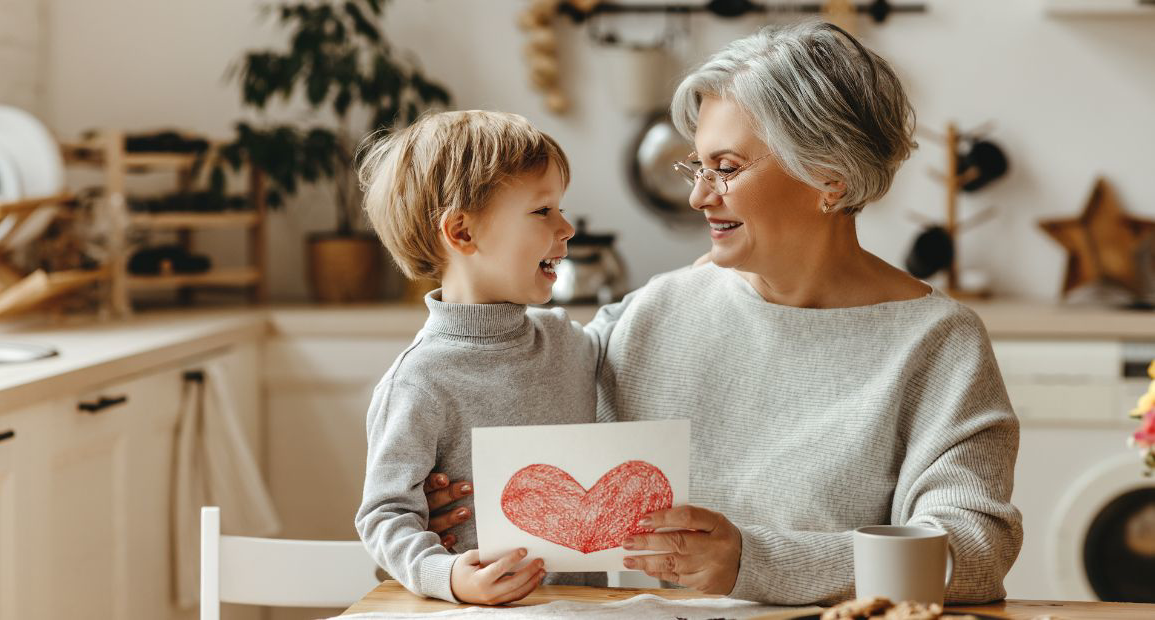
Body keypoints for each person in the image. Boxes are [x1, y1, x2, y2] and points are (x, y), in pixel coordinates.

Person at [422, 21, 1022, 606]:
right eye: (698, 166)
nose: (698, 196)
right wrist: (462, 500)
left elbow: (973, 554)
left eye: (727, 169)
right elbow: (532, 425)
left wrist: (753, 562)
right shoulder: (659, 309)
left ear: (830, 179)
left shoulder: (938, 344)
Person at [353, 110, 605, 605]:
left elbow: (638, 320)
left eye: (560, 208)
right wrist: (447, 576)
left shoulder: (568, 341)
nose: (568, 227)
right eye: (542, 211)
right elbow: (384, 515)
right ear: (462, 233)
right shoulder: (418, 380)